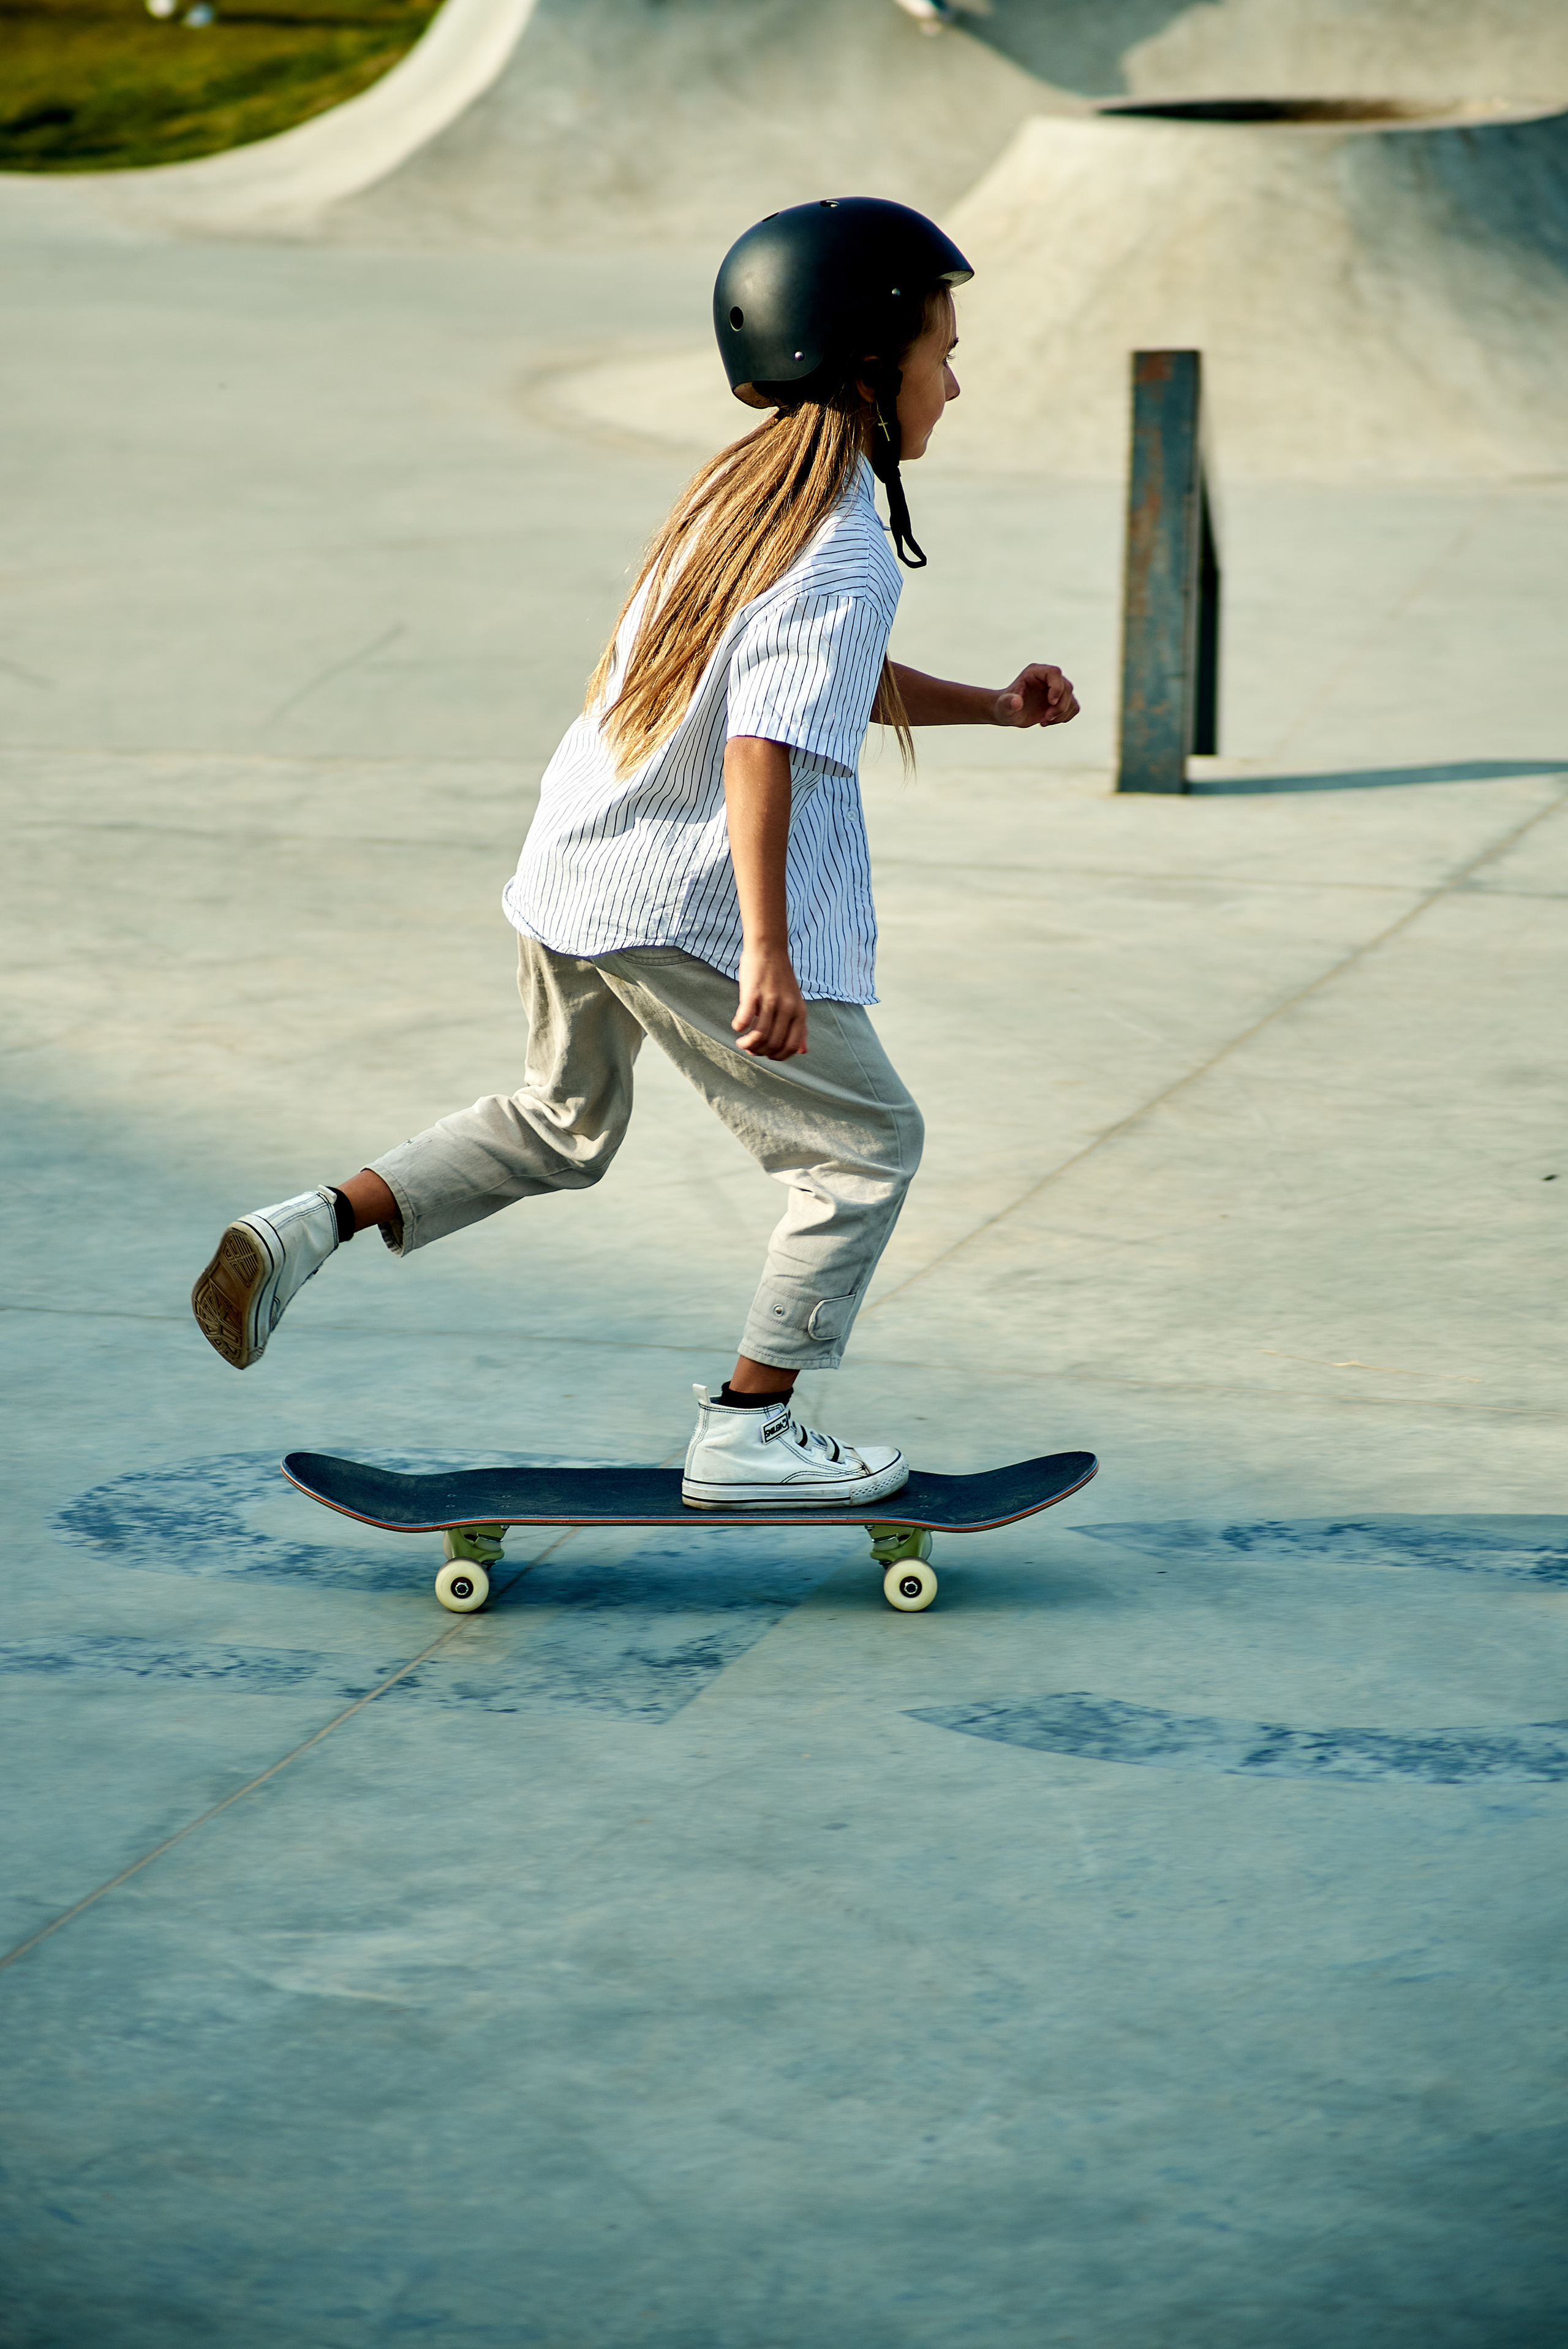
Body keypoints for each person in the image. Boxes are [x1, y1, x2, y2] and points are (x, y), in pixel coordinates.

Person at [190, 197, 1079, 1508]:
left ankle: (310, 1224)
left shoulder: (739, 494)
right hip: (684, 903)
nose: (954, 381)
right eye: (941, 352)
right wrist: (769, 952)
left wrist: (990, 707)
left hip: (577, 868)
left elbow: (807, 683)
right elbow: (762, 741)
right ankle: (749, 1430)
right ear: (865, 367)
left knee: (560, 1124)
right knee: (863, 1150)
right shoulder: (841, 544)